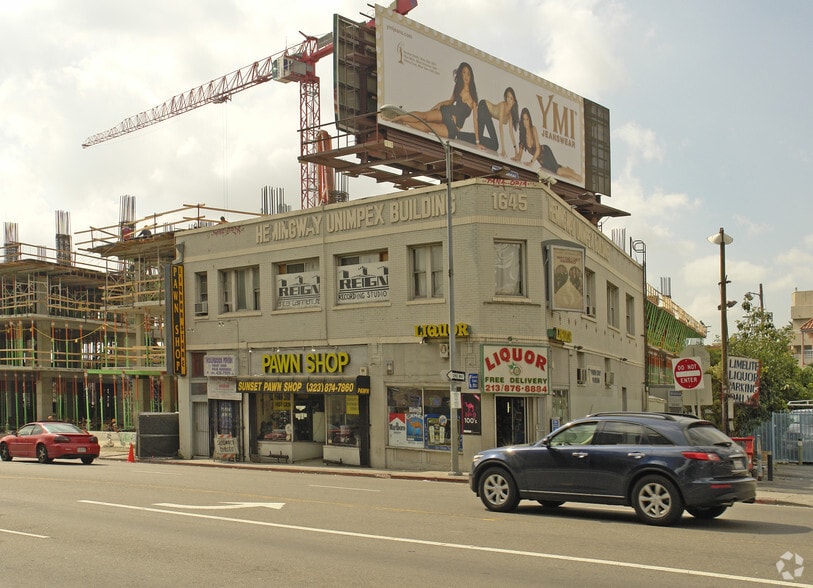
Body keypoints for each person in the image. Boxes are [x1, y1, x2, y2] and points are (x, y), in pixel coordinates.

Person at [390, 62, 479, 141]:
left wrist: (477, 142)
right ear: (461, 74)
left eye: (468, 74)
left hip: (453, 128)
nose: (466, 76)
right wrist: (440, 103)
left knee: (428, 127)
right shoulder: (458, 88)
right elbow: (450, 101)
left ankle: (403, 121)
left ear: (471, 77)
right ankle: (398, 117)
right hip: (447, 112)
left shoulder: (473, 97)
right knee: (424, 116)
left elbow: (475, 120)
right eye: (464, 72)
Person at [517, 107, 583, 182]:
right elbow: (520, 154)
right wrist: (516, 157)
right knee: (555, 171)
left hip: (545, 152)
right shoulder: (522, 135)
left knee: (558, 171)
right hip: (541, 161)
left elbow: (538, 149)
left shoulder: (533, 129)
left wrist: (531, 162)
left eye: (527, 119)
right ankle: (569, 171)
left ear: (529, 120)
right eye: (523, 119)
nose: (525, 122)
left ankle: (576, 176)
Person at [459, 87, 520, 158]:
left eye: (511, 98)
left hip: (487, 113)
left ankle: (460, 135)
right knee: (481, 138)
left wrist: (516, 151)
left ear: (514, 102)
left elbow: (511, 132)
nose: (508, 100)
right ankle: (459, 135)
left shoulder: (510, 115)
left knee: (494, 145)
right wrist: (503, 149)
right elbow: (500, 127)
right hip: (484, 106)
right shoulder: (503, 105)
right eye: (507, 97)